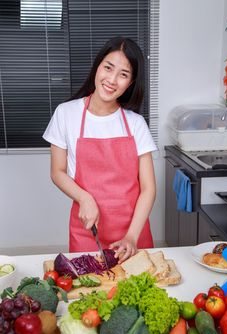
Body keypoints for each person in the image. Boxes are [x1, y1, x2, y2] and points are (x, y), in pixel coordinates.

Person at [43, 36, 157, 263]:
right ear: (98, 66)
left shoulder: (135, 123)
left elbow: (148, 188)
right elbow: (57, 171)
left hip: (133, 232)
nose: (112, 80)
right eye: (108, 68)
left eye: (123, 74)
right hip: (87, 232)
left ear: (130, 83)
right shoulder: (66, 114)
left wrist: (132, 236)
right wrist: (84, 198)